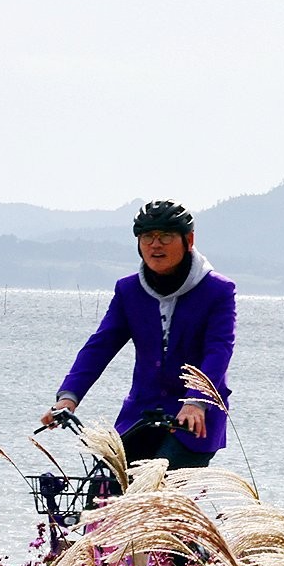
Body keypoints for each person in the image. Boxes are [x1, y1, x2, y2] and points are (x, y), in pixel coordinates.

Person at [40, 199, 236, 470]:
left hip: (193, 420)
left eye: (166, 236)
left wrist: (197, 401)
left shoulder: (216, 290)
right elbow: (100, 346)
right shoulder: (129, 291)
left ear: (188, 240)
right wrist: (68, 397)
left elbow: (219, 349)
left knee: (159, 492)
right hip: (139, 415)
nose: (155, 244)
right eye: (147, 236)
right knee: (100, 494)